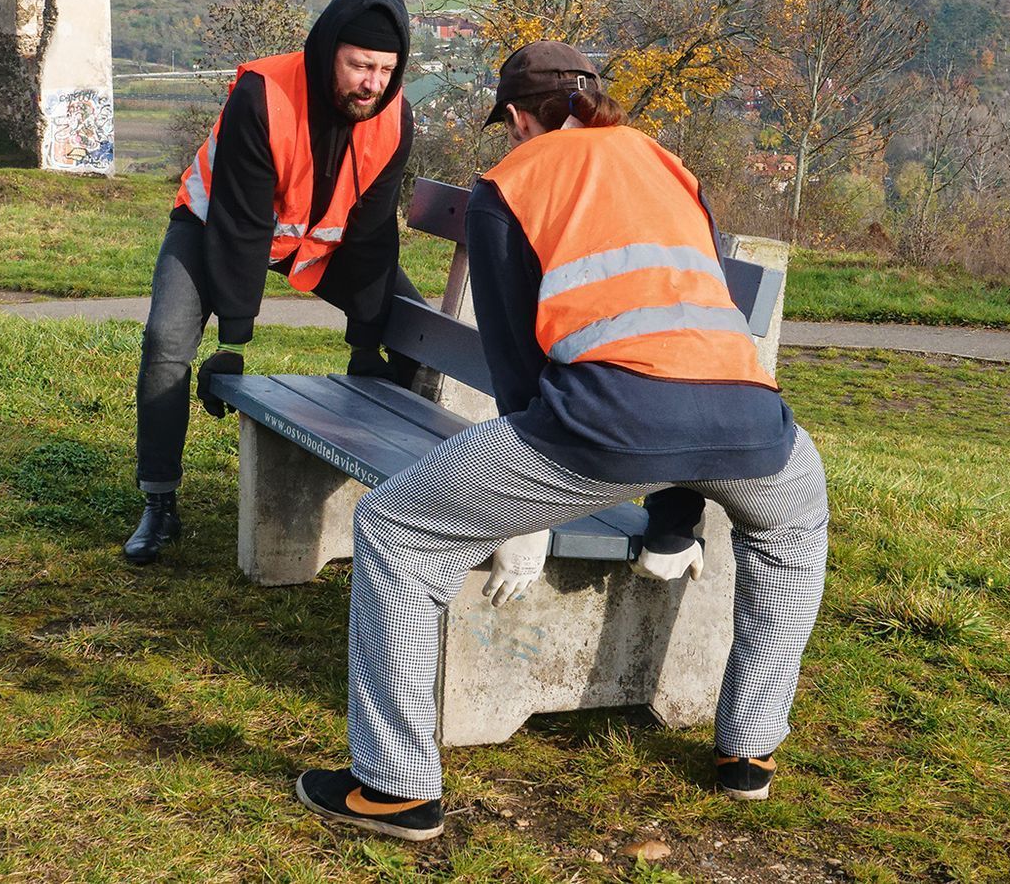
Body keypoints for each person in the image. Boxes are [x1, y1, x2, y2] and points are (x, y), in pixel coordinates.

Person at [296, 41, 830, 841]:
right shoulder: (668, 166)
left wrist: (524, 520)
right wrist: (674, 521)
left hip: (601, 427)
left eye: (508, 124)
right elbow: (686, 332)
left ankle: (396, 785)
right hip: (755, 425)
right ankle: (748, 752)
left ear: (516, 117)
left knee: (396, 528)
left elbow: (517, 376)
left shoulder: (509, 184)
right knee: (792, 533)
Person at [124, 0, 419, 565]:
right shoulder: (262, 94)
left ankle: (407, 509)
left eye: (386, 70)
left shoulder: (394, 118)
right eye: (360, 65)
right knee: (166, 343)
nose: (372, 84)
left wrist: (367, 338)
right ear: (328, 49)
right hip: (215, 226)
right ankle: (158, 501)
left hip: (314, 244)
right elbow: (239, 223)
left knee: (414, 334)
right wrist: (233, 341)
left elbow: (371, 236)